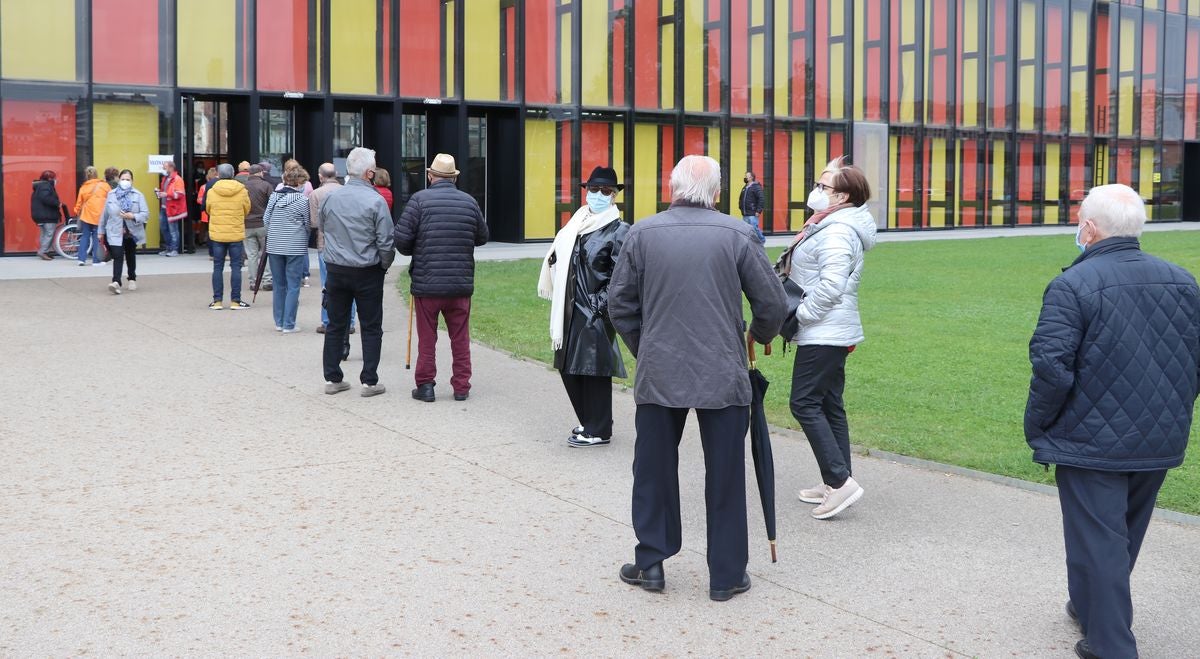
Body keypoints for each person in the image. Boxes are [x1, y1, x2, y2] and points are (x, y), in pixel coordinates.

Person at [1025, 184, 1200, 659]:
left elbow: (1051, 365)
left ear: (1090, 227)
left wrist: (1040, 425)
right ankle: (1091, 607)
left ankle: (1111, 645)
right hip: (1155, 432)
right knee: (1115, 535)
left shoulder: (1072, 285)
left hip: (1091, 437)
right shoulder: (1183, 280)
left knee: (1102, 540)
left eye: (1080, 220)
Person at [607, 155, 786, 602]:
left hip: (661, 370)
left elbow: (619, 305)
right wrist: (755, 336)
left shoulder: (643, 233)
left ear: (672, 188)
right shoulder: (739, 234)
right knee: (725, 474)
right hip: (722, 370)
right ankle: (725, 574)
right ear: (719, 194)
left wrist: (645, 345)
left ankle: (651, 560)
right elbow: (773, 306)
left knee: (652, 470)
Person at [784, 156, 877, 520]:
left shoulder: (837, 230)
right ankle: (836, 480)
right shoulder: (832, 223)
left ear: (841, 196)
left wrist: (800, 317)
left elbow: (832, 285)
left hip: (823, 330)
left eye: (823, 186)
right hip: (831, 329)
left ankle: (840, 483)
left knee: (804, 403)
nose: (816, 191)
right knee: (828, 403)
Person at [537, 166, 629, 447]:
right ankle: (590, 421)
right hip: (568, 308)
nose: (598, 195)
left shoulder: (619, 230)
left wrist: (600, 307)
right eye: (594, 190)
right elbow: (564, 255)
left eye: (605, 191)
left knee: (594, 370)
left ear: (614, 196)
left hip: (595, 312)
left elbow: (622, 276)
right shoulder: (577, 223)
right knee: (568, 366)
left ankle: (599, 429)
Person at [394, 153, 489, 403]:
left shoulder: (419, 201)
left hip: (427, 284)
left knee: (427, 338)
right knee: (460, 337)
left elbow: (402, 242)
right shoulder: (469, 202)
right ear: (454, 178)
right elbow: (482, 237)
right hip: (459, 284)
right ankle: (461, 387)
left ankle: (425, 386)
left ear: (430, 175)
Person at [319, 147, 394, 397]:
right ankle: (369, 381)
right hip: (367, 268)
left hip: (337, 268)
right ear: (370, 173)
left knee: (336, 324)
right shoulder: (375, 201)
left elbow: (323, 225)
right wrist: (384, 264)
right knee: (371, 325)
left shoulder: (332, 197)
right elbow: (386, 240)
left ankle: (333, 377)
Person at [264, 166, 311, 333]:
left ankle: (279, 321)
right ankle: (289, 324)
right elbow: (307, 223)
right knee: (293, 285)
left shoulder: (274, 197)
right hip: (295, 247)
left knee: (278, 284)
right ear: (299, 182)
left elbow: (266, 219)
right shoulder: (303, 201)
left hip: (274, 246)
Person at [310, 162, 355, 338]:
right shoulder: (346, 191)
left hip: (325, 244)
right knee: (350, 285)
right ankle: (350, 322)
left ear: (321, 176)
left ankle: (328, 321)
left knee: (327, 285)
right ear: (336, 174)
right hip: (347, 243)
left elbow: (314, 222)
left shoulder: (316, 194)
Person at [204, 163, 251, 310]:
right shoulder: (242, 190)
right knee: (236, 267)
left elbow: (208, 209)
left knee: (217, 267)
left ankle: (217, 301)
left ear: (219, 174)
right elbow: (246, 209)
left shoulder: (212, 191)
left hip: (217, 234)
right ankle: (236, 301)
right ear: (232, 174)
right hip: (235, 233)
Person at [98, 169, 149, 295]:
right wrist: (101, 230)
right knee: (117, 255)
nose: (125, 181)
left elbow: (145, 214)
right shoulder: (111, 194)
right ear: (118, 180)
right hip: (115, 230)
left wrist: (133, 216)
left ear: (132, 181)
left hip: (132, 231)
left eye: (128, 179)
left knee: (130, 255)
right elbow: (104, 214)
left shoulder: (138, 195)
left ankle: (132, 277)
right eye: (123, 179)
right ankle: (116, 282)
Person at [242, 164, 275, 292]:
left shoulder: (243, 187)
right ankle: (267, 281)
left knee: (251, 255)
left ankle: (253, 282)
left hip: (247, 224)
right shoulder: (266, 185)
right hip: (263, 224)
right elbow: (272, 204)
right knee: (265, 253)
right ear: (261, 173)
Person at [73, 166, 110, 266]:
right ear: (96, 174)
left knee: (85, 236)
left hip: (86, 215)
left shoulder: (84, 187)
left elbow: (79, 203)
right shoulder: (105, 186)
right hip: (100, 216)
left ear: (87, 175)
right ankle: (96, 260)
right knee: (97, 237)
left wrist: (76, 211)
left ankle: (81, 259)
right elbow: (111, 199)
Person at [30, 170, 63, 260]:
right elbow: (46, 198)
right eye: (54, 178)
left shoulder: (39, 186)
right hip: (47, 215)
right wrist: (57, 203)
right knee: (49, 233)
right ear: (50, 178)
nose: (56, 180)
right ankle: (43, 251)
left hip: (40, 214)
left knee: (44, 233)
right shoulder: (45, 186)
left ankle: (46, 251)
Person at [156, 160, 186, 257]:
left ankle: (174, 249)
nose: (163, 168)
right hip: (165, 208)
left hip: (173, 209)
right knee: (164, 228)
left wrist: (166, 194)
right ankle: (168, 248)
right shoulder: (165, 179)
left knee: (173, 230)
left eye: (165, 167)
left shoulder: (178, 179)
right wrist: (159, 192)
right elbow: (164, 191)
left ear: (171, 167)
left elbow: (180, 194)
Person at [738, 171, 766, 244]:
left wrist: (758, 211)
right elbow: (741, 198)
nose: (745, 177)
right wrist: (740, 207)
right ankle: (750, 243)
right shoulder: (745, 187)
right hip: (745, 213)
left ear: (751, 178)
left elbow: (761, 199)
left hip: (753, 213)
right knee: (746, 229)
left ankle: (762, 240)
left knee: (754, 228)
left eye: (747, 176)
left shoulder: (756, 187)